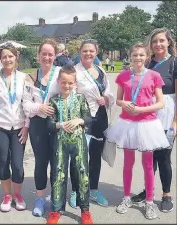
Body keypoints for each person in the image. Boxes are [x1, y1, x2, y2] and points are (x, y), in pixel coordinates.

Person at [105, 42, 169, 220]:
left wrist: (141, 110)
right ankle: (126, 197)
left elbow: (160, 102)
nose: (138, 58)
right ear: (130, 56)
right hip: (127, 124)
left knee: (148, 164)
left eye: (141, 55)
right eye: (135, 55)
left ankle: (149, 201)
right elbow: (118, 100)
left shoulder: (154, 76)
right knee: (128, 163)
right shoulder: (123, 75)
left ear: (146, 56)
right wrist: (124, 103)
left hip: (147, 124)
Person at [131, 28, 177, 213]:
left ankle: (166, 194)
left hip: (166, 113)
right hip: (147, 113)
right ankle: (148, 189)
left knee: (164, 157)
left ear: (168, 43)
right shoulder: (147, 63)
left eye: (161, 41)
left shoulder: (174, 63)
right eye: (154, 41)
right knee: (149, 156)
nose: (158, 44)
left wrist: (175, 122)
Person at [0, 43, 29, 212]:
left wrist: (26, 126)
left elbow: (28, 105)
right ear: (0, 59)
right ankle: (7, 195)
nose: (7, 59)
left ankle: (18, 195)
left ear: (16, 58)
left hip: (19, 128)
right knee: (3, 161)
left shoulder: (24, 78)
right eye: (4, 57)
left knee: (17, 164)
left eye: (11, 56)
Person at [45, 65, 93, 224]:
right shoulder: (53, 100)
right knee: (58, 175)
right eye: (63, 82)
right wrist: (60, 125)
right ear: (59, 82)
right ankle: (56, 209)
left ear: (74, 83)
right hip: (60, 143)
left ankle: (85, 210)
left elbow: (88, 119)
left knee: (82, 174)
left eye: (70, 83)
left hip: (79, 142)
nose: (66, 86)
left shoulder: (80, 98)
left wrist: (79, 120)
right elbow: (49, 125)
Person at [70, 39, 115, 208]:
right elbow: (70, 94)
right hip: (82, 118)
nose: (88, 54)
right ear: (80, 52)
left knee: (95, 157)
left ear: (96, 52)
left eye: (91, 51)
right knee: (78, 157)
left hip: (100, 118)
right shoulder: (74, 71)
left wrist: (106, 98)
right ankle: (75, 190)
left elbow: (109, 91)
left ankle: (94, 190)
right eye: (85, 51)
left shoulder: (101, 70)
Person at [22, 38, 61, 217]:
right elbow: (26, 106)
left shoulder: (61, 73)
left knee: (56, 162)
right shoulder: (30, 77)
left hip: (56, 124)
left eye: (50, 54)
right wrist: (39, 108)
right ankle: (39, 198)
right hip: (37, 125)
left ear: (55, 56)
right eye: (43, 54)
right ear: (38, 56)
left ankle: (55, 197)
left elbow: (70, 94)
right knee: (40, 162)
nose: (47, 57)